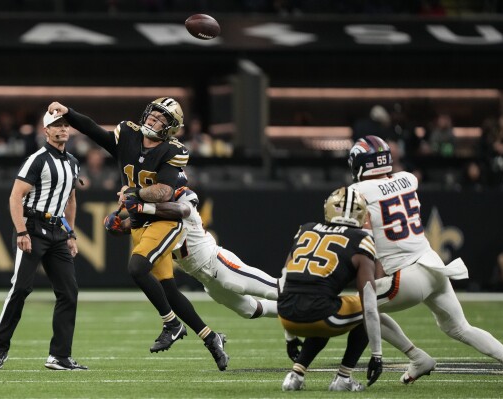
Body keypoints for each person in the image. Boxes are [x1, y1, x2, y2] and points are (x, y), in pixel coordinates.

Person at [47, 99, 229, 371]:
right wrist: (69, 113)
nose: (153, 122)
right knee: (167, 288)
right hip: (140, 220)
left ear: (170, 129)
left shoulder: (173, 151)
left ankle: (171, 324)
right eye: (152, 116)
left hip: (164, 219)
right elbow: (93, 130)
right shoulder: (128, 135)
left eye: (160, 120)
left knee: (137, 267)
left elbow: (164, 192)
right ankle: (211, 337)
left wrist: (132, 194)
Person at [348, 135, 503, 383]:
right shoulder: (407, 179)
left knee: (357, 308)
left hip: (407, 276)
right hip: (434, 266)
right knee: (459, 328)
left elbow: (362, 232)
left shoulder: (356, 191)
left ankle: (417, 357)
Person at [0, 110, 86, 371]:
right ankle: (0, 348)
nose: (62, 129)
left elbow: (71, 200)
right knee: (20, 289)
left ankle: (59, 356)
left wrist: (71, 233)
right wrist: (21, 231)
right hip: (33, 227)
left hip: (57, 231)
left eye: (65, 125)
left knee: (69, 292)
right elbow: (15, 196)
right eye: (56, 126)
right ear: (46, 131)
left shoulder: (73, 162)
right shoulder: (37, 160)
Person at [104, 172, 279, 320]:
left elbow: (182, 211)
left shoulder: (183, 195)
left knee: (273, 289)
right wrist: (115, 226)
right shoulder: (155, 209)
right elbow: (129, 225)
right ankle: (296, 311)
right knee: (250, 310)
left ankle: (303, 292)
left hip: (217, 263)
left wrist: (143, 207)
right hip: (204, 278)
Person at [278, 186, 383, 392]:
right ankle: (343, 377)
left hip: (286, 314)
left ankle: (295, 375)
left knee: (326, 304)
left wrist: (289, 336)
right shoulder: (362, 240)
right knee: (362, 309)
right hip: (321, 315)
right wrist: (377, 355)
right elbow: (369, 305)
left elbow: (283, 280)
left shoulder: (306, 229)